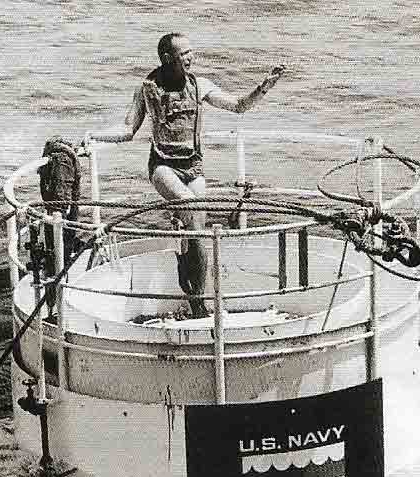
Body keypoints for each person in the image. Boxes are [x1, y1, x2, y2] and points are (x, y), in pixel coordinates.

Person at [87, 33, 286, 317]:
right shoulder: (147, 89)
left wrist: (264, 86)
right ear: (168, 59)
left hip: (194, 167)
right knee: (189, 204)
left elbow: (238, 106)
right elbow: (127, 130)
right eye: (185, 53)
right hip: (163, 167)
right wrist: (93, 136)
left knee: (197, 235)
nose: (192, 57)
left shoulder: (199, 85)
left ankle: (196, 297)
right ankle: (193, 286)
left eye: (192, 51)